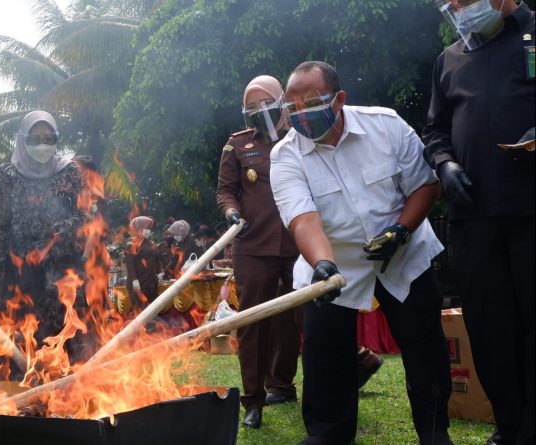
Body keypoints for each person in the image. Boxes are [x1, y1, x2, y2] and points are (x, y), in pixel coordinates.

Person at [270, 61, 453, 445]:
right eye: (292, 106)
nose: (301, 114)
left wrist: (401, 231)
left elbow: (426, 186)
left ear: (339, 99)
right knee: (325, 360)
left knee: (425, 350)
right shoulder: (285, 155)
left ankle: (435, 431)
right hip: (333, 265)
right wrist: (322, 264)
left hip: (403, 252)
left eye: (312, 102)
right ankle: (327, 437)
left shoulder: (384, 125)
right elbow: (303, 220)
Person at [423, 2, 535, 443]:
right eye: (448, 4)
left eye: (463, 1)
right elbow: (435, 131)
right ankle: (508, 426)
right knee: (488, 327)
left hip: (530, 210)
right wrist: (446, 164)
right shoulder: (449, 59)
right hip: (473, 216)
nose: (456, 11)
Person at [216, 75, 301, 428]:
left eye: (265, 103)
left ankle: (283, 383)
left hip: (299, 242)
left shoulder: (300, 136)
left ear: (282, 101)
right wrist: (232, 213)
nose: (258, 111)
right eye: (250, 106)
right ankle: (253, 401)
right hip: (254, 246)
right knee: (251, 322)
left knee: (301, 317)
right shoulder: (236, 146)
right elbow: (226, 191)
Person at [0, 110, 85, 374]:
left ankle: (67, 388)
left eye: (49, 138)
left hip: (62, 265)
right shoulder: (8, 175)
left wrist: (62, 231)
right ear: (23, 139)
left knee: (66, 327)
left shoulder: (69, 171)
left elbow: (82, 216)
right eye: (36, 138)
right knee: (25, 330)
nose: (42, 144)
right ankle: (25, 389)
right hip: (22, 266)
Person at [124, 216, 161, 308]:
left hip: (151, 283)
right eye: (146, 228)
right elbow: (130, 264)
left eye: (150, 229)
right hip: (139, 284)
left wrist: (159, 272)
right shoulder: (131, 244)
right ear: (139, 228)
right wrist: (134, 280)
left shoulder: (150, 243)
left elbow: (156, 259)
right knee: (140, 312)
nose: (149, 231)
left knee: (152, 311)